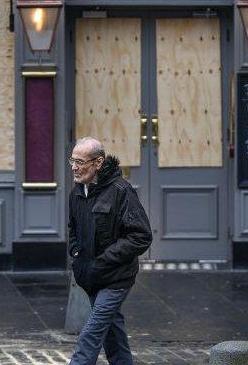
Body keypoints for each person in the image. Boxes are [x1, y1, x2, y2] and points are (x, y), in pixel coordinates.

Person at [67, 137, 152, 365]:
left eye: (80, 162)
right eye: (72, 161)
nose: (74, 167)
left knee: (91, 334)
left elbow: (141, 236)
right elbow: (72, 229)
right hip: (90, 276)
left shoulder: (120, 191)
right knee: (113, 336)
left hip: (116, 277)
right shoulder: (76, 192)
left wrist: (104, 260)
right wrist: (76, 253)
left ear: (98, 162)